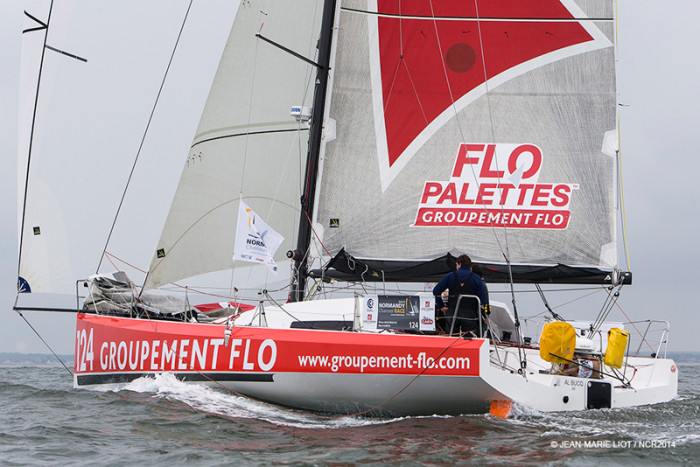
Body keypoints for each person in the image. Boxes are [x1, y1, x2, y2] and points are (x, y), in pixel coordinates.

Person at [433, 254, 489, 336]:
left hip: (452, 312)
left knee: (452, 337)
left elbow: (436, 291)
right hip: (470, 313)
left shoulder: (450, 276)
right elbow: (484, 300)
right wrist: (485, 316)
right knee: (469, 338)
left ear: (459, 264)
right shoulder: (476, 278)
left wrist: (441, 306)